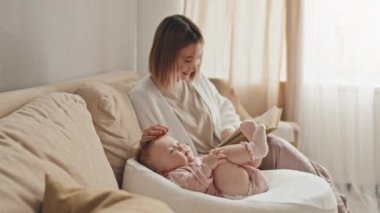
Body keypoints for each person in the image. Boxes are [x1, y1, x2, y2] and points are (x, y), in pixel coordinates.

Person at [128, 14, 350, 212]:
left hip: (228, 148)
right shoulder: (144, 96)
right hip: (209, 165)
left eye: (198, 59)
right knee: (274, 145)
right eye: (188, 60)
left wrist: (227, 130)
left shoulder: (196, 81)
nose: (194, 67)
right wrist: (145, 139)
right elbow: (154, 152)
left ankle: (337, 203)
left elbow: (224, 108)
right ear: (166, 55)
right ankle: (338, 204)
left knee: (283, 150)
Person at [136, 121, 269, 198]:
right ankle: (255, 148)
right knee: (218, 155)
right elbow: (194, 185)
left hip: (246, 179)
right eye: (172, 151)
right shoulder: (175, 175)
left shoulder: (194, 160)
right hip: (235, 190)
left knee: (219, 157)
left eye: (178, 144)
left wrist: (208, 161)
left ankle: (254, 153)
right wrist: (207, 165)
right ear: (161, 171)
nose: (181, 148)